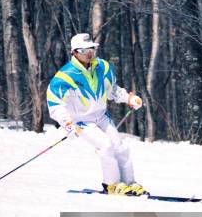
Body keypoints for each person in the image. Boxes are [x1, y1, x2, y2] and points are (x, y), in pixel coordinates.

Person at [46, 33, 147, 195]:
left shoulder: (103, 67)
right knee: (105, 145)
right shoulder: (64, 76)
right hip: (81, 122)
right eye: (85, 50)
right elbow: (55, 104)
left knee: (120, 146)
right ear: (74, 52)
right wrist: (67, 124)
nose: (90, 53)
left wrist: (129, 98)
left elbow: (113, 90)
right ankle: (112, 185)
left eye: (92, 48)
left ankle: (130, 183)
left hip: (101, 117)